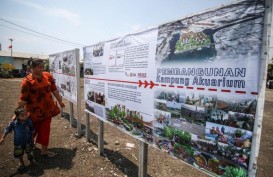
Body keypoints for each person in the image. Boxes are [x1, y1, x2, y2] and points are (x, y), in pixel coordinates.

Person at [16, 59, 65, 157]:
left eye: (43, 67)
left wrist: (60, 101)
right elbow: (23, 99)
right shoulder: (27, 82)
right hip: (34, 111)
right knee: (33, 130)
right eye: (39, 67)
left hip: (47, 109)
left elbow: (54, 89)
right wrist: (17, 112)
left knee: (46, 130)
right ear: (32, 68)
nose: (42, 69)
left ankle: (44, 150)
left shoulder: (47, 76)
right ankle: (30, 146)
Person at [0, 108, 35, 172]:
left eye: (26, 115)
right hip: (18, 143)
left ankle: (30, 158)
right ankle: (22, 164)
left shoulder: (29, 121)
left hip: (28, 141)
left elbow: (32, 130)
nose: (25, 116)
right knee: (19, 154)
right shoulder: (13, 123)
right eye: (22, 116)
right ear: (17, 116)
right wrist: (3, 138)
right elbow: (7, 130)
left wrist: (32, 139)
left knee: (29, 151)